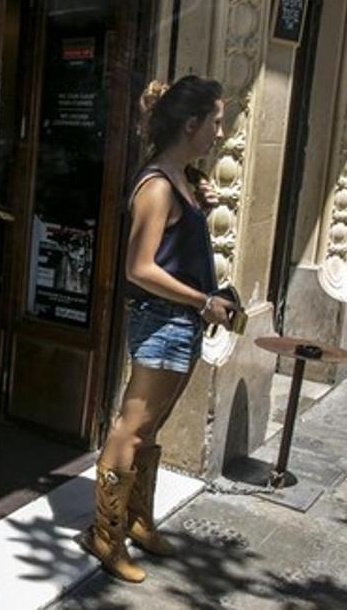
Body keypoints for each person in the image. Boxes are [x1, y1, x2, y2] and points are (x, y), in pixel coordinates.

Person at [79, 76, 235, 583]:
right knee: (132, 427)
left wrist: (201, 203)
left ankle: (136, 519)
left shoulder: (181, 178)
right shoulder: (158, 186)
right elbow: (139, 268)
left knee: (150, 430)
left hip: (179, 323)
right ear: (191, 124)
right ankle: (105, 534)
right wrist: (203, 300)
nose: (220, 130)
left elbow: (176, 246)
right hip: (164, 321)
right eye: (215, 120)